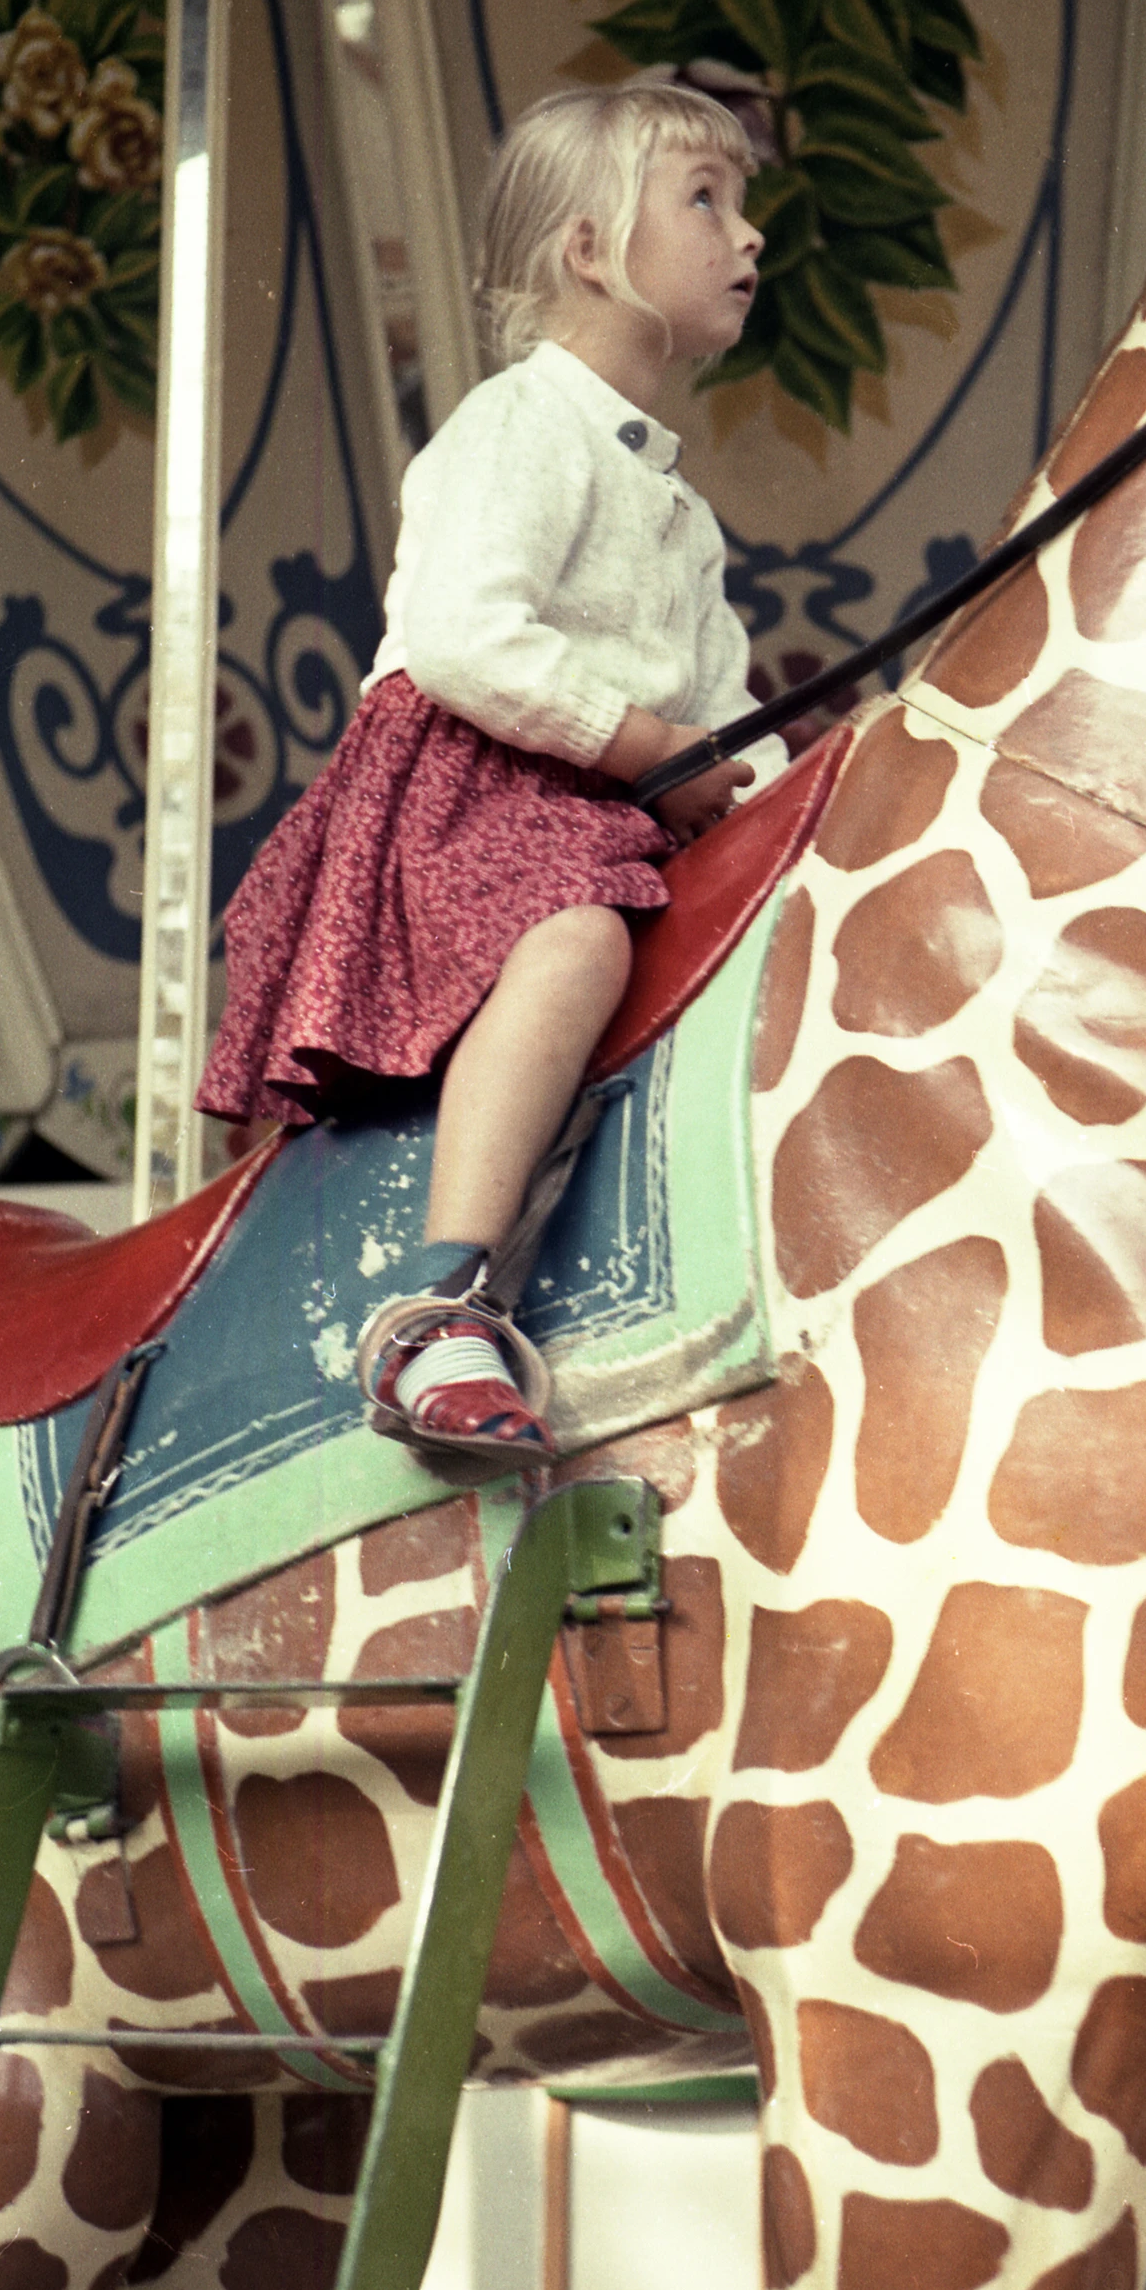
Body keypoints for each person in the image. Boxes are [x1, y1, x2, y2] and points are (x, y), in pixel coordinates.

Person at [196, 83, 779, 1457]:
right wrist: (645, 747)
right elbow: (464, 633)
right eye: (706, 198)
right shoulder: (521, 425)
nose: (750, 234)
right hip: (470, 795)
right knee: (575, 938)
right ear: (590, 251)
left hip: (604, 805)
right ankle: (438, 1302)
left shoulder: (676, 509)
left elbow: (727, 720)